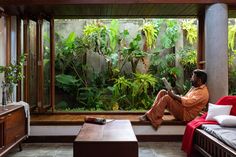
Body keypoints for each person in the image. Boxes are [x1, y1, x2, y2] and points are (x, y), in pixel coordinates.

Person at [139, 69, 209, 129]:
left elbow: (188, 102)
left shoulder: (202, 93)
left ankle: (151, 117)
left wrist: (174, 96)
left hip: (185, 115)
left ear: (199, 80)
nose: (191, 79)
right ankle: (151, 114)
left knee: (167, 98)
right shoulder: (195, 88)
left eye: (193, 77)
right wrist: (174, 95)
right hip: (183, 108)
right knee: (163, 92)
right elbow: (185, 98)